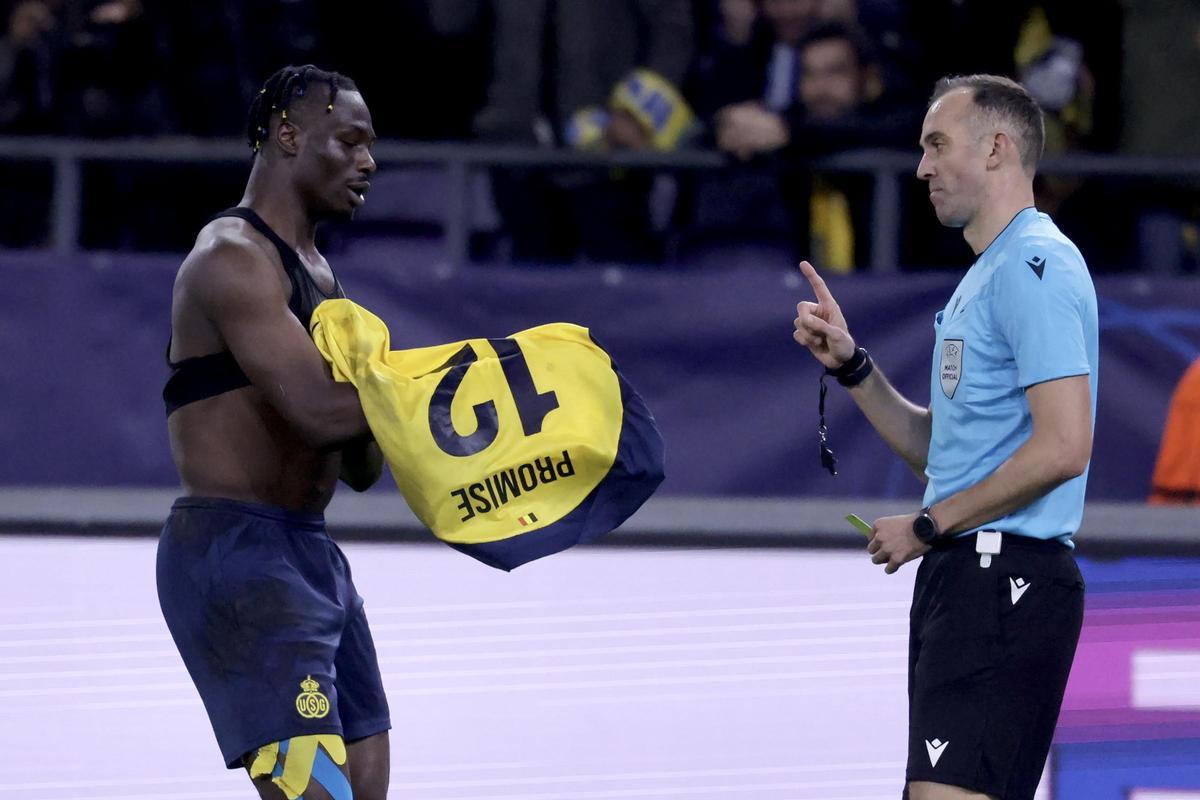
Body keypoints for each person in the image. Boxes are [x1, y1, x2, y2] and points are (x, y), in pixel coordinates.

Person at [792, 74, 1097, 800]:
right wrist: (855, 367)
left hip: (1003, 573)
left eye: (936, 144)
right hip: (968, 577)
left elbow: (1064, 447)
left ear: (996, 148)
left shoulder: (1036, 266)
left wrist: (930, 524)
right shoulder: (989, 273)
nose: (922, 166)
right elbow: (949, 456)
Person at [157, 65, 389, 800]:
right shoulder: (232, 257)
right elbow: (321, 416)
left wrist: (402, 404)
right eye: (349, 141)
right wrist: (443, 388)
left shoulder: (324, 280)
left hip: (312, 556)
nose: (368, 162)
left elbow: (359, 467)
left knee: (366, 793)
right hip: (237, 557)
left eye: (370, 146)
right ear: (288, 136)